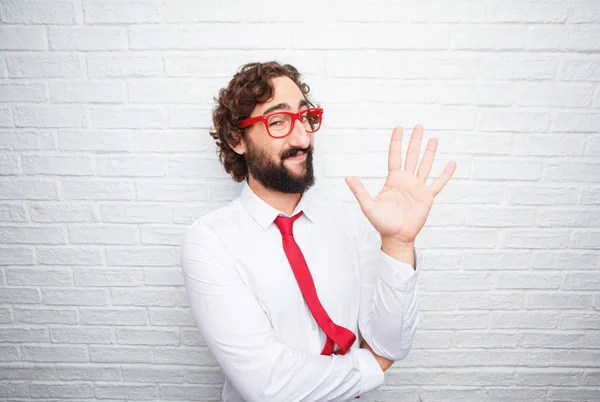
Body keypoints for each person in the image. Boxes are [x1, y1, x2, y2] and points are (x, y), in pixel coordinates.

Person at [180, 61, 456, 402]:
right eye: (278, 121)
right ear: (238, 139)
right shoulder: (209, 241)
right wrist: (370, 366)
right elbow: (269, 387)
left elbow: (390, 344)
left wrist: (398, 244)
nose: (302, 137)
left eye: (305, 117)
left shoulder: (352, 223)